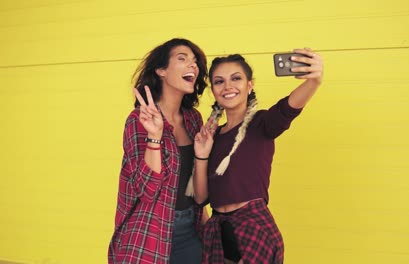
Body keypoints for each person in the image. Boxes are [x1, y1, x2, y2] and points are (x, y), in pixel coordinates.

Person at [193, 49, 324, 263]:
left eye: (236, 78)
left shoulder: (262, 124)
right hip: (218, 232)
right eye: (219, 81)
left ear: (249, 85)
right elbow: (200, 198)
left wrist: (314, 81)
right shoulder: (211, 136)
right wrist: (201, 155)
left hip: (253, 228)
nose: (228, 86)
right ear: (214, 91)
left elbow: (289, 108)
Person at [108, 38, 209, 264]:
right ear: (161, 70)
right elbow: (147, 190)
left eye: (195, 62)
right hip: (148, 230)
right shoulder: (139, 120)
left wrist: (205, 221)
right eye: (182, 59)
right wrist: (155, 134)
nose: (192, 65)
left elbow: (193, 183)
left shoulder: (193, 119)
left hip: (189, 229)